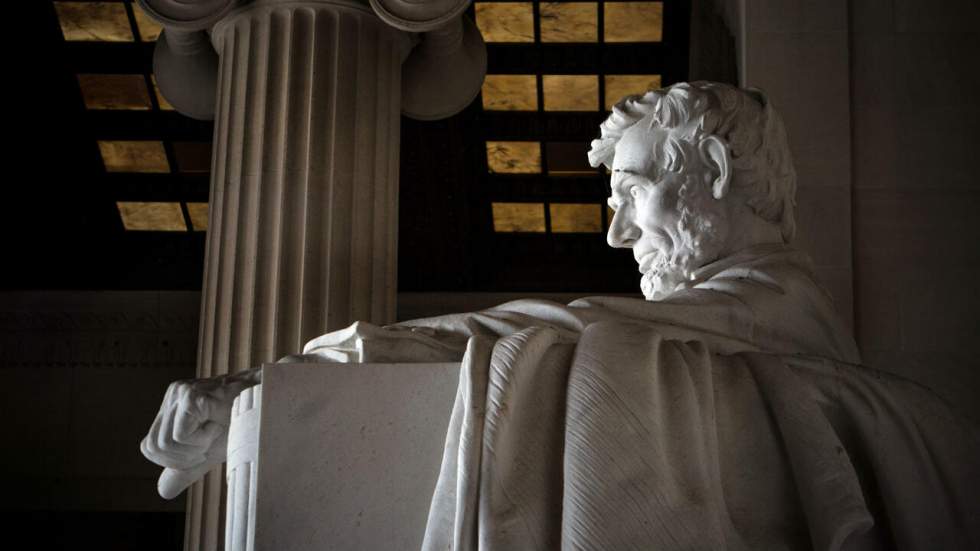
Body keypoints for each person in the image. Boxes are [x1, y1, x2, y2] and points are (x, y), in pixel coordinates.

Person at [142, 82, 978, 550]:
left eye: (634, 193)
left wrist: (292, 373)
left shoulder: (759, 318)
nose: (618, 234)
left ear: (716, 169)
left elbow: (551, 326)